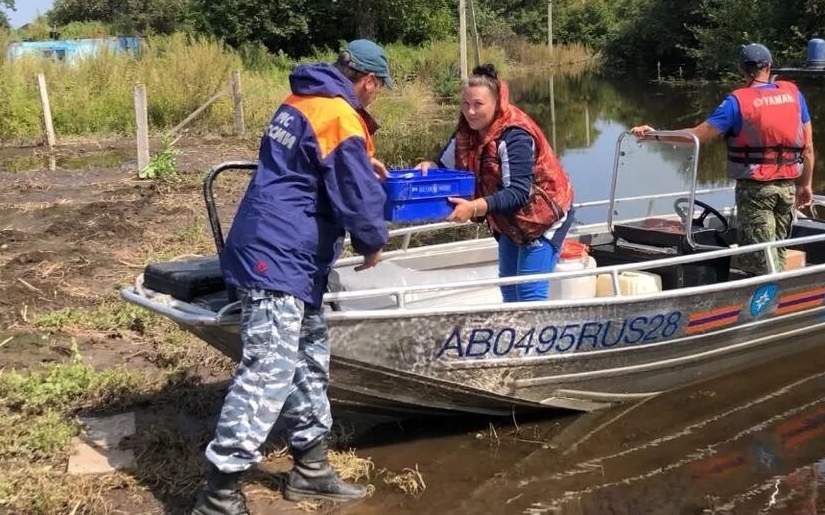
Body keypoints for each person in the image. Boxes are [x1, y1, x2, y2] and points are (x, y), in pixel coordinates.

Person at [191, 40, 394, 515]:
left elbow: (307, 168)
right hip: (277, 255)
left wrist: (360, 166)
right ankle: (219, 493)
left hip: (293, 255)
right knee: (268, 371)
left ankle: (311, 469)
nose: (375, 95)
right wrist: (372, 242)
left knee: (307, 360)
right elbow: (354, 191)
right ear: (368, 81)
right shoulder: (340, 116)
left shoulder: (301, 101)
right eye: (378, 89)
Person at [630, 43, 814, 277]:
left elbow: (695, 137)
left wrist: (654, 135)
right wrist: (805, 185)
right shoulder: (793, 95)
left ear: (741, 69)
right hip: (787, 188)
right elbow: (808, 148)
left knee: (759, 258)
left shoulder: (738, 102)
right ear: (769, 66)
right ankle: (779, 294)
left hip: (756, 192)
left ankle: (763, 305)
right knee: (776, 249)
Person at [417, 64, 575, 302]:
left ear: (496, 103)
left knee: (529, 293)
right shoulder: (468, 130)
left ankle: (533, 337)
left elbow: (519, 193)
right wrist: (430, 166)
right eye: (466, 104)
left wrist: (473, 208)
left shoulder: (515, 134)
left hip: (544, 217)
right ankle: (512, 336)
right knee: (509, 288)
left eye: (478, 105)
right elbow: (445, 164)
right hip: (507, 221)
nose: (470, 112)